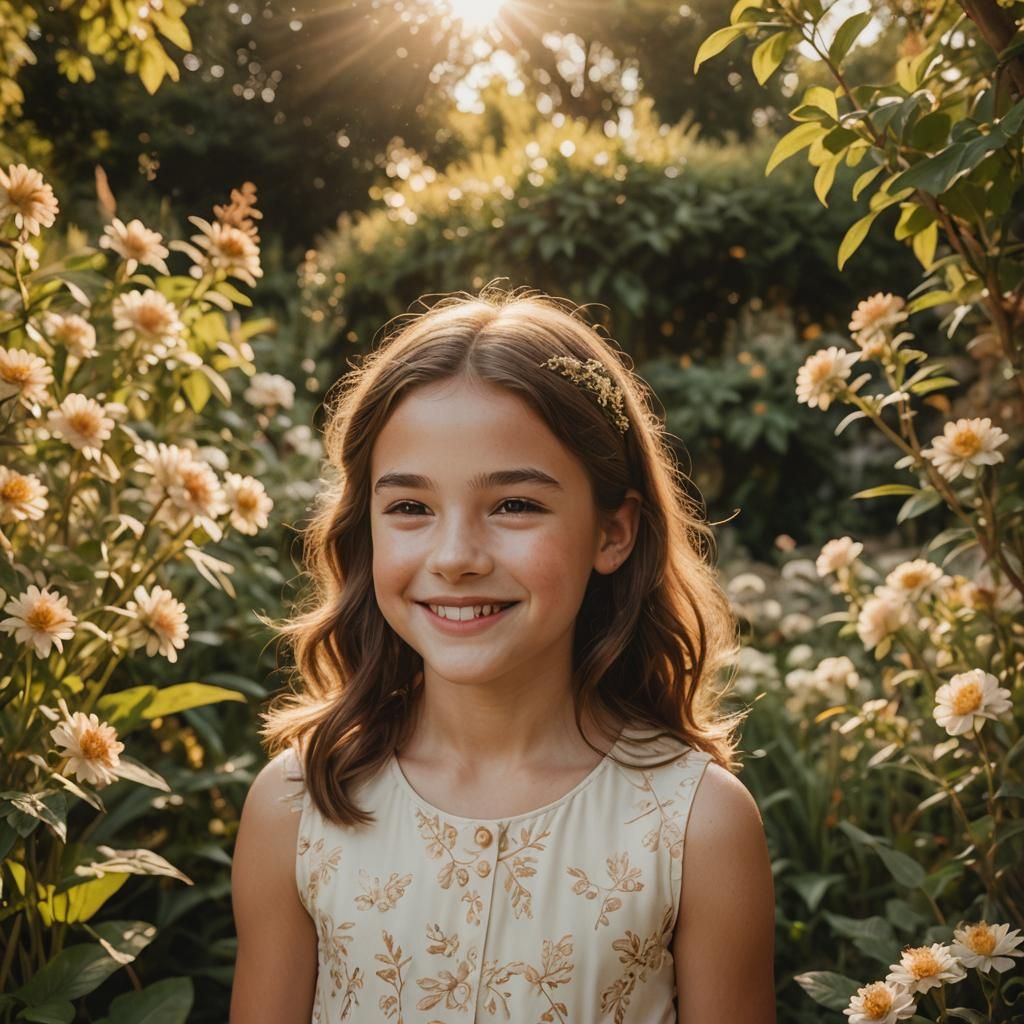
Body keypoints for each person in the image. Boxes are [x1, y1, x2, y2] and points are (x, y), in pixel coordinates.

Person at [230, 286, 776, 1024]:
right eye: (411, 508)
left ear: (612, 533)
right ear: (365, 529)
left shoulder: (696, 825)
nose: (455, 558)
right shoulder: (297, 806)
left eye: (515, 505)